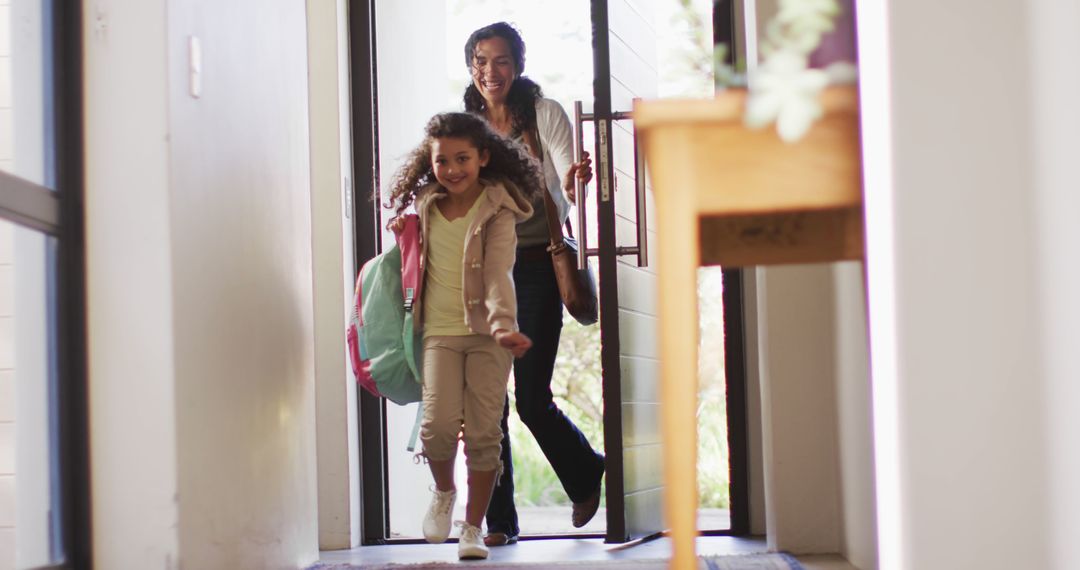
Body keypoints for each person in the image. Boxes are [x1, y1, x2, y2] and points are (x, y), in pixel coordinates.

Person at [462, 21, 605, 547]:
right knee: (486, 400)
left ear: (517, 65)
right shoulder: (465, 125)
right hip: (482, 271)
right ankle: (499, 521)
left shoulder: (543, 114)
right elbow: (447, 185)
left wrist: (574, 180)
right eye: (480, 60)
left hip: (538, 262)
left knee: (531, 398)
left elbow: (568, 177)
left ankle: (586, 472)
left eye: (499, 60)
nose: (489, 71)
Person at [384, 112, 544, 560]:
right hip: (439, 332)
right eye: (442, 161)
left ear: (483, 157)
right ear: (429, 162)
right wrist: (404, 236)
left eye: (463, 159)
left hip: (489, 336)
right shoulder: (426, 205)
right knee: (435, 429)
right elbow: (414, 263)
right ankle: (443, 492)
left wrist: (503, 325)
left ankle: (473, 528)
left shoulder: (499, 210)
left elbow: (498, 274)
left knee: (482, 434)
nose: (452, 169)